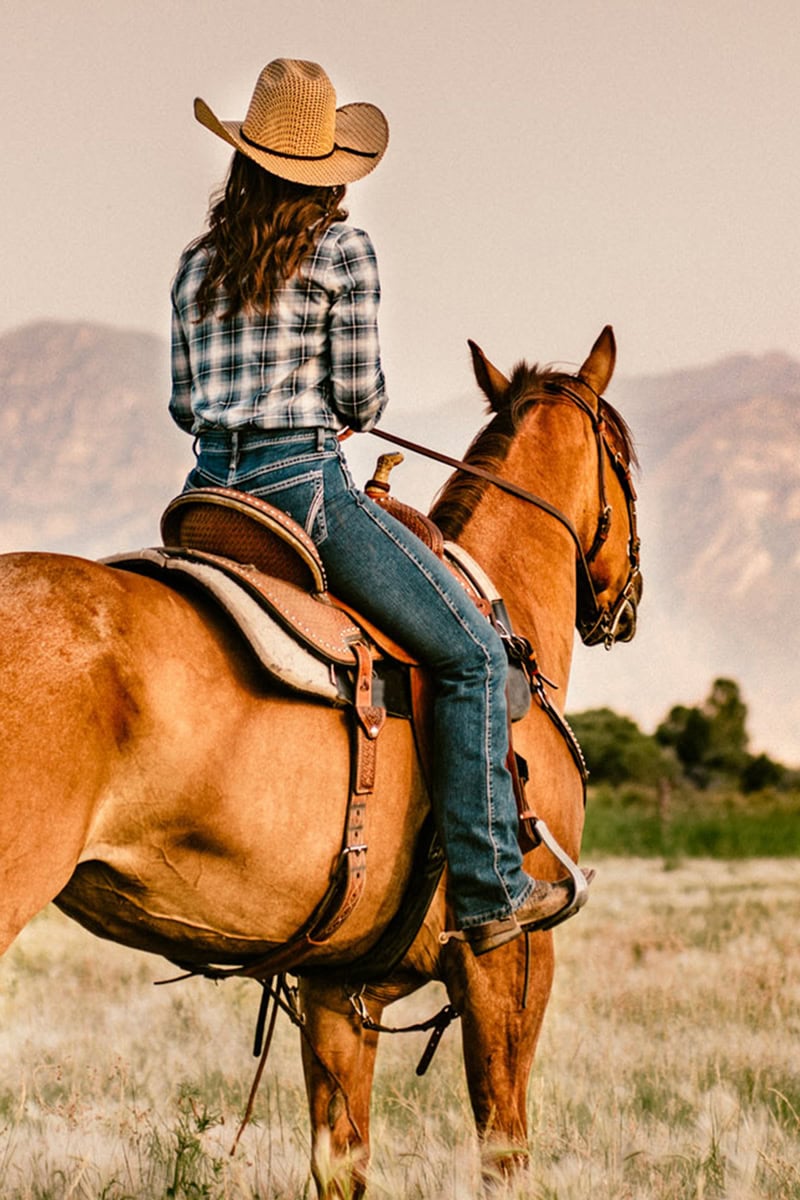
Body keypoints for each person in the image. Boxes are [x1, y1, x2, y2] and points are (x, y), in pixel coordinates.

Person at [169, 58, 584, 955]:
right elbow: (360, 400)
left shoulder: (195, 266)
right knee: (472, 652)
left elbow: (183, 404)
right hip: (302, 494)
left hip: (206, 499)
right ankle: (488, 887)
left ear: (241, 160)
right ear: (326, 171)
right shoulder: (342, 253)